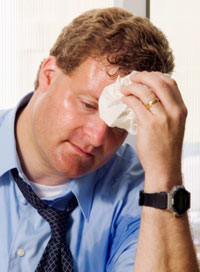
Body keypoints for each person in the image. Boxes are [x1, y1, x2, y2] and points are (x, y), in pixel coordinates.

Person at [0, 7, 199, 272]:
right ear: (48, 75)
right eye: (88, 105)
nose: (97, 137)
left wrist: (166, 172)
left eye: (118, 124)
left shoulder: (144, 191)